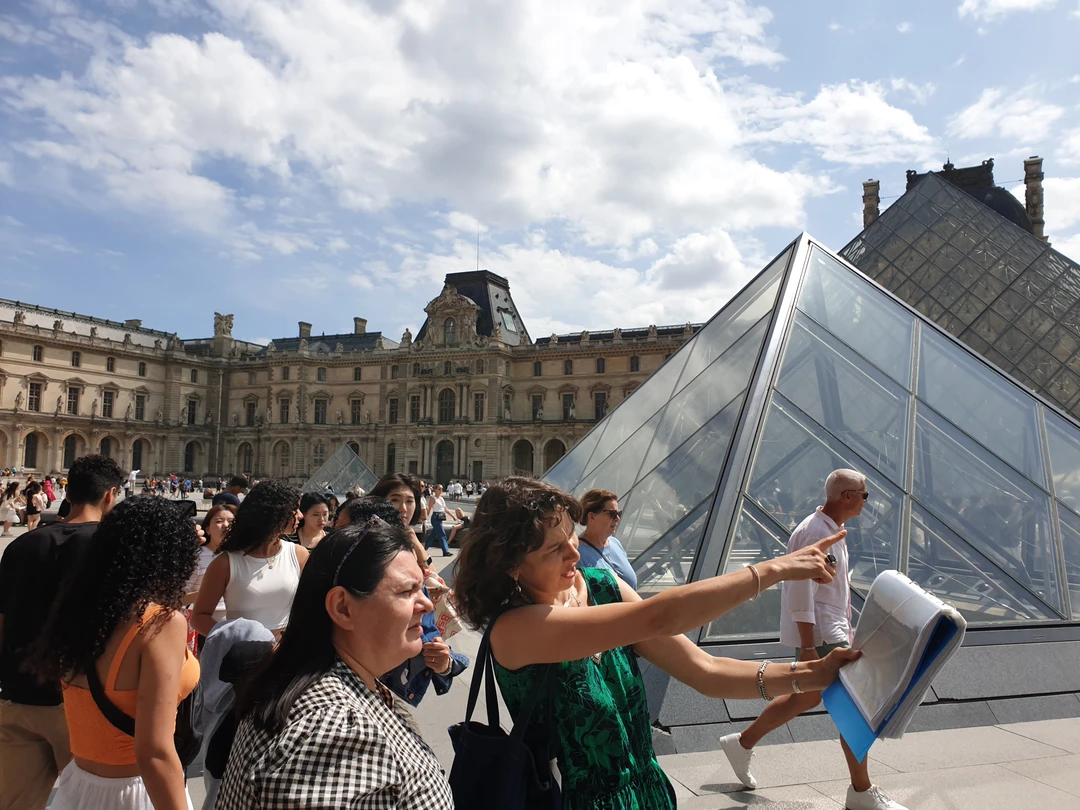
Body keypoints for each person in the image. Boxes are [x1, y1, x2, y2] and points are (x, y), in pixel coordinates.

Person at [453, 477, 858, 810]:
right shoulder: (516, 629)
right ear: (510, 565)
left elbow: (706, 671)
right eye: (553, 549)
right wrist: (774, 570)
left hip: (646, 794)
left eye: (570, 536)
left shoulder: (601, 586)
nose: (574, 551)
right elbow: (659, 616)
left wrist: (810, 675)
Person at [217, 522, 454, 809]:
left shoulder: (307, 678)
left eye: (422, 588)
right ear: (343, 607)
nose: (427, 605)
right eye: (407, 591)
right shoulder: (334, 731)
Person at [720, 470, 905, 810]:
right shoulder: (815, 532)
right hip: (822, 634)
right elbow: (800, 590)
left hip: (828, 630)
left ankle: (742, 742)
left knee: (804, 698)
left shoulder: (829, 529)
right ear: (846, 496)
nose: (867, 501)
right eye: (864, 495)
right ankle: (861, 792)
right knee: (853, 709)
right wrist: (807, 644)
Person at [27, 495, 200, 810]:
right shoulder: (160, 623)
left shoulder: (79, 609)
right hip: (137, 791)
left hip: (78, 783)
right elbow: (155, 751)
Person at [0, 456, 123, 810]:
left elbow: (2, 621)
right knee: (89, 802)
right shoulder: (109, 548)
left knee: (14, 803)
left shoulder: (23, 545)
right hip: (80, 700)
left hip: (18, 696)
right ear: (110, 495)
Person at [192, 480, 308, 639]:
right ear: (275, 513)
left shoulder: (299, 555)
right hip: (243, 659)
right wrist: (236, 642)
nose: (301, 516)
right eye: (295, 510)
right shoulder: (225, 563)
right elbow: (199, 617)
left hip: (287, 656)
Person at [185, 504, 237, 633]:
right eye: (219, 521)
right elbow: (178, 598)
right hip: (202, 626)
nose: (226, 525)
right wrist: (207, 595)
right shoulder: (196, 557)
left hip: (235, 623)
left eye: (231, 522)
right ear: (207, 529)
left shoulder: (242, 556)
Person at [577, 489, 638, 589]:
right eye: (612, 513)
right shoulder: (577, 553)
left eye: (619, 513)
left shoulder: (615, 543)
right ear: (592, 516)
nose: (617, 518)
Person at [424, 483, 451, 557]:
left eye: (442, 489)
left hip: (441, 517)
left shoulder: (441, 498)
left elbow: (445, 509)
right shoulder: (433, 498)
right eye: (439, 489)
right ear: (435, 490)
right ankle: (445, 551)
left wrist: (453, 516)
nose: (441, 490)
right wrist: (426, 518)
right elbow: (429, 508)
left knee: (433, 535)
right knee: (442, 534)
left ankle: (424, 548)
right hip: (435, 518)